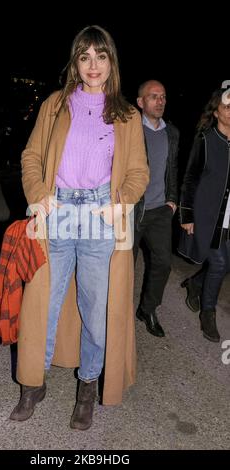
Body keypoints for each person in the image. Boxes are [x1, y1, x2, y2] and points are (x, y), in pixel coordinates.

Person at [9, 25, 149, 430]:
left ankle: (87, 384)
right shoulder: (55, 105)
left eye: (101, 56)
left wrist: (118, 201)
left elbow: (139, 172)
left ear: (111, 63)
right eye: (85, 56)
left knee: (96, 311)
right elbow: (31, 156)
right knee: (41, 307)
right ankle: (32, 384)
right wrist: (38, 195)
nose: (93, 65)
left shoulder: (126, 114)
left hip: (101, 220)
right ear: (75, 62)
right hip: (58, 215)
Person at [179, 87, 230, 343]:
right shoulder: (206, 139)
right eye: (228, 107)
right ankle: (207, 312)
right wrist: (187, 215)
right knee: (219, 262)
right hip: (208, 215)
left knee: (226, 263)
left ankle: (196, 284)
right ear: (216, 111)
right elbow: (189, 179)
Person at [133, 80, 179, 337]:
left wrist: (172, 200)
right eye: (153, 96)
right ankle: (116, 314)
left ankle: (148, 309)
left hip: (160, 210)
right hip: (132, 209)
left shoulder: (172, 133)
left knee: (162, 262)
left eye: (163, 96)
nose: (160, 101)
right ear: (140, 102)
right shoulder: (128, 129)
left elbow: (172, 168)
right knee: (125, 266)